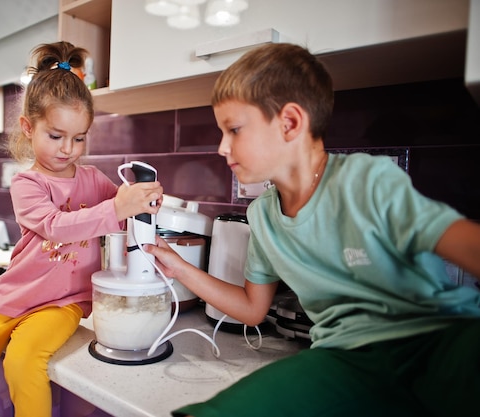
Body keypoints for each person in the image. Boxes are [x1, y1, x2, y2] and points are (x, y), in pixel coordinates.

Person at [144, 42, 480, 417]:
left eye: (234, 129)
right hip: (345, 359)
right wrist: (179, 267)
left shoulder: (363, 181)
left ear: (289, 123)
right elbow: (253, 310)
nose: (222, 147)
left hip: (442, 340)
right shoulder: (264, 216)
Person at [0, 41, 163, 417]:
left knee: (22, 362)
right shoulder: (27, 183)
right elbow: (55, 226)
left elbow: (119, 216)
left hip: (63, 302)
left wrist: (141, 201)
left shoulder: (94, 179)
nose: (68, 148)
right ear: (28, 127)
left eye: (79, 138)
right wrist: (117, 205)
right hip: (13, 294)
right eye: (56, 136)